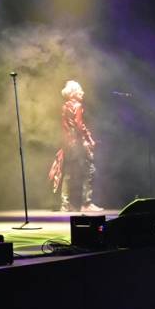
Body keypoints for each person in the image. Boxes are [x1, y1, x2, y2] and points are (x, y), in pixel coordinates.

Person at [54, 80, 101, 212]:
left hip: (68, 144)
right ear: (73, 93)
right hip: (78, 144)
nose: (82, 92)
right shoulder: (78, 105)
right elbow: (80, 125)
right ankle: (87, 203)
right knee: (89, 170)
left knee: (68, 173)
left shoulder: (64, 107)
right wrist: (89, 139)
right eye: (79, 90)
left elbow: (66, 127)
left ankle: (64, 204)